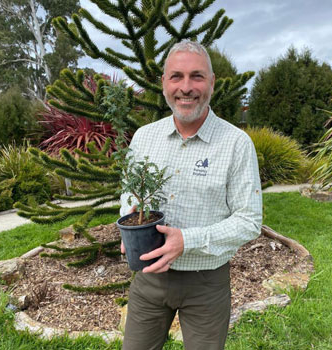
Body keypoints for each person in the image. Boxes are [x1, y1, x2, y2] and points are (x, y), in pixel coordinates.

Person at [119, 40, 262, 350]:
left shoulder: (236, 144)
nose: (186, 87)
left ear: (211, 82)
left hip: (206, 283)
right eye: (176, 77)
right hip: (149, 277)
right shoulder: (144, 138)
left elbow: (250, 220)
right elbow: (130, 191)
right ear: (164, 84)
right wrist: (130, 223)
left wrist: (187, 240)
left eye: (197, 76)